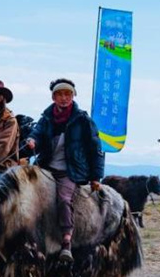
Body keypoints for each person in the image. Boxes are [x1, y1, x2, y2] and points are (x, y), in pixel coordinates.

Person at [26, 79, 104, 262]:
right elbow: (36, 133)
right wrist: (31, 140)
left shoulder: (83, 120)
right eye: (60, 94)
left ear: (73, 96)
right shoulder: (46, 118)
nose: (64, 98)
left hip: (70, 171)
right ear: (53, 97)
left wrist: (96, 177)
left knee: (63, 199)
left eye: (68, 94)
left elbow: (95, 149)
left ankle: (66, 241)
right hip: (45, 168)